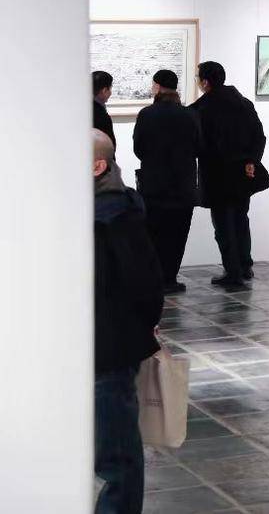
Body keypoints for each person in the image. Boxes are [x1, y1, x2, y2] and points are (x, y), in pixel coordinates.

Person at [92, 129, 164, 514]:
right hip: (94, 345)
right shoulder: (89, 213)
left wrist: (142, 327)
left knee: (116, 453)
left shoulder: (115, 216)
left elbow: (145, 284)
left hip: (109, 349)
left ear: (97, 166)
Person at [190, 61, 269, 289]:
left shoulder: (202, 109)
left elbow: (198, 143)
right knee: (240, 219)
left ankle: (233, 272)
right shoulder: (243, 103)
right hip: (242, 173)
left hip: (217, 174)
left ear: (205, 82)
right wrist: (252, 160)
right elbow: (259, 136)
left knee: (223, 225)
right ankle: (245, 266)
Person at [134, 69, 201, 294]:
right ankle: (170, 278)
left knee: (153, 233)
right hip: (183, 186)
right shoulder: (190, 114)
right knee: (177, 235)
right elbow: (199, 146)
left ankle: (154, 279)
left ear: (157, 86)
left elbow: (138, 148)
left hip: (154, 185)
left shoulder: (147, 114)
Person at [93, 70, 116, 147]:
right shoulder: (101, 116)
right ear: (104, 90)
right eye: (110, 89)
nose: (110, 93)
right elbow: (108, 146)